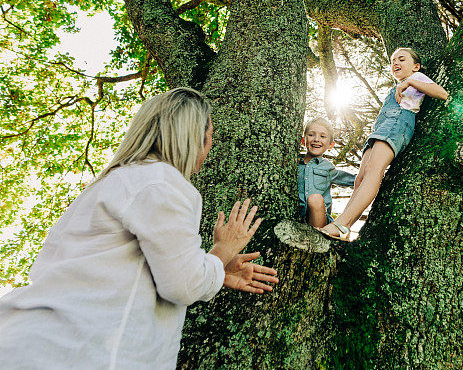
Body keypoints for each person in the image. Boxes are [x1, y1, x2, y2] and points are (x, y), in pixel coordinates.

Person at [0, 87, 278, 369]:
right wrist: (224, 249)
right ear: (195, 137)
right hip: (76, 353)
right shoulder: (161, 183)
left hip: (33, 342)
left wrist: (217, 270)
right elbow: (184, 284)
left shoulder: (114, 183)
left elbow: (141, 272)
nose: (209, 149)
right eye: (210, 138)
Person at [319, 48, 448, 241]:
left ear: (416, 66)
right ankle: (345, 228)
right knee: (359, 179)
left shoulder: (418, 77)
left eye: (402, 59)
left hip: (397, 124)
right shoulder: (394, 88)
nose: (395, 63)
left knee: (373, 171)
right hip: (381, 130)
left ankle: (341, 224)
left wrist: (411, 81)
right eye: (393, 61)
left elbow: (442, 93)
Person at [298, 117, 356, 228]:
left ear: (330, 145)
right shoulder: (293, 162)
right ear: (303, 140)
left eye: (322, 136)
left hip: (319, 219)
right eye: (311, 135)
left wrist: (375, 179)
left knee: (315, 199)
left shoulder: (328, 168)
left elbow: (352, 180)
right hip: (296, 217)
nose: (316, 139)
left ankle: (318, 236)